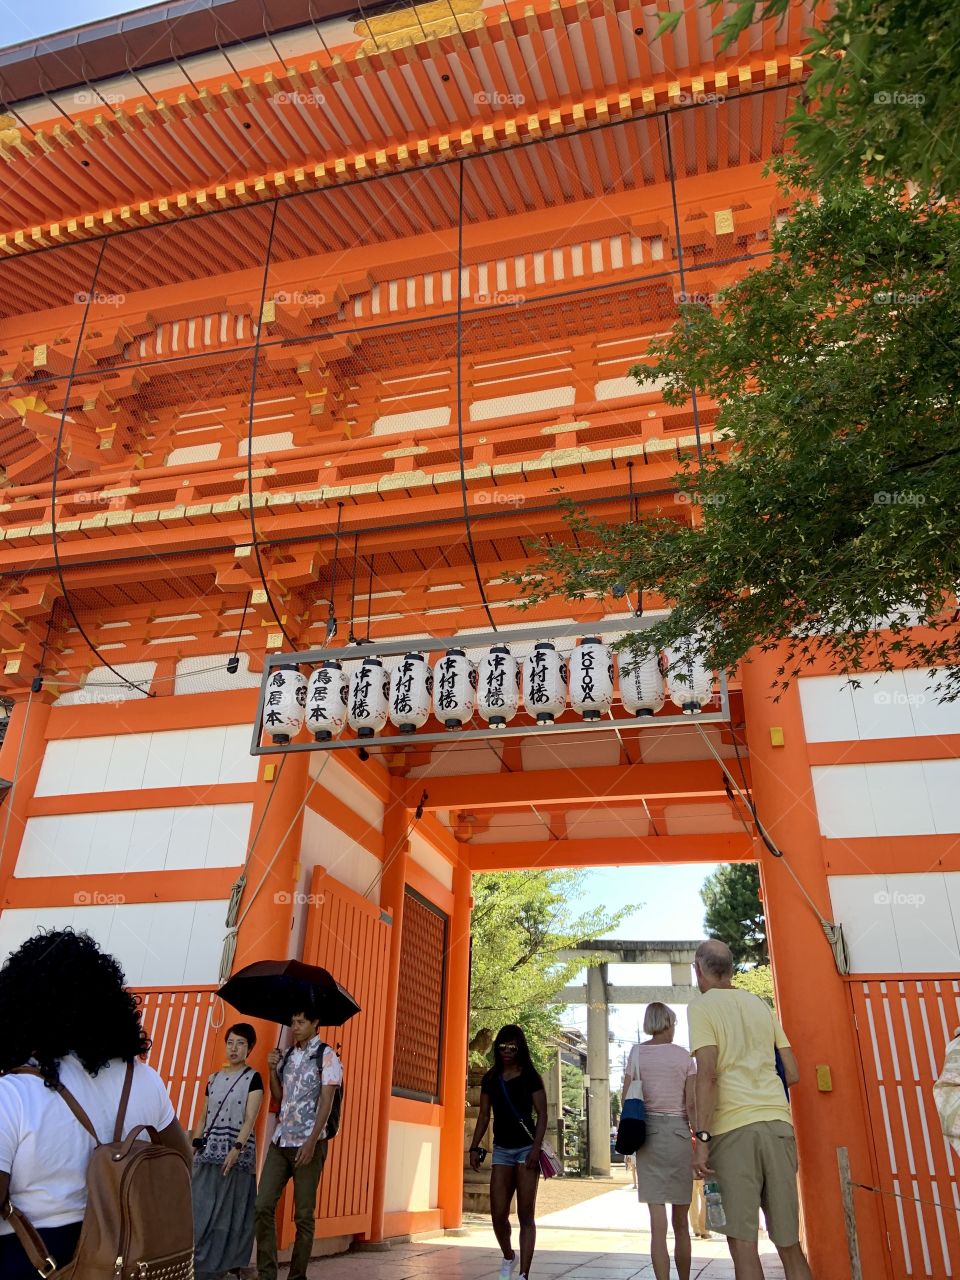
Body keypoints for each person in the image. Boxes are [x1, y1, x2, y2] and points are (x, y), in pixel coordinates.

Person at [0, 929, 192, 1280]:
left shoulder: (13, 1094)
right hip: (130, 1261)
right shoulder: (143, 1079)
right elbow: (181, 1163)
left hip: (37, 1262)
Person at [688, 939, 811, 1280]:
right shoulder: (759, 1004)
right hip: (778, 1125)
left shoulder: (701, 1008)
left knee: (743, 1244)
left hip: (733, 1130)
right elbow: (793, 1072)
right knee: (790, 1244)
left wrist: (702, 1139)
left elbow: (708, 1074)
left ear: (698, 970)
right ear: (731, 969)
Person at [255, 1006, 343, 1280]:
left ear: (315, 1023)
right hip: (280, 1141)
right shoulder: (288, 1056)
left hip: (309, 1144)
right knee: (262, 1205)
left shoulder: (327, 1056)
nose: (295, 1027)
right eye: (293, 1021)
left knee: (304, 1215)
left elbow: (326, 1102)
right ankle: (267, 1274)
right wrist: (272, 1069)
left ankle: (297, 1276)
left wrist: (312, 1141)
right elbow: (279, 1097)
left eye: (301, 1022)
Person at [622, 1002, 696, 1280]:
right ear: (668, 1023)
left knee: (657, 1226)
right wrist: (701, 1137)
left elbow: (626, 1096)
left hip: (648, 1135)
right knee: (681, 1223)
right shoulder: (684, 1057)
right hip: (679, 1134)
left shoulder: (637, 1053)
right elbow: (691, 1103)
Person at [468, 1025, 547, 1280]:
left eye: (512, 1047)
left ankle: (523, 1274)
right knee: (498, 1214)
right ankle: (509, 1256)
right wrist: (474, 1146)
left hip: (526, 1149)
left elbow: (542, 1114)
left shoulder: (531, 1077)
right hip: (501, 1150)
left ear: (520, 1048)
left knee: (526, 1214)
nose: (507, 1051)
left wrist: (536, 1148)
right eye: (502, 1046)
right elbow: (483, 1115)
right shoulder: (491, 1078)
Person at [192, 1023, 264, 1280]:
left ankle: (224, 1265)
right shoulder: (213, 1079)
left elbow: (250, 1119)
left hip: (236, 1156)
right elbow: (203, 1116)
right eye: (230, 1042)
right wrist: (195, 1144)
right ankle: (196, 1262)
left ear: (250, 1048)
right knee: (199, 1206)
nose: (234, 1048)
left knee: (229, 1212)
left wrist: (236, 1149)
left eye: (240, 1043)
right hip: (209, 1153)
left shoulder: (253, 1078)